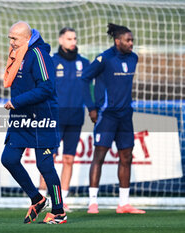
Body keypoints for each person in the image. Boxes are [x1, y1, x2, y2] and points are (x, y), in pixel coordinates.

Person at [2, 21, 67, 224]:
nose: (11, 42)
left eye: (15, 38)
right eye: (10, 38)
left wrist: (16, 101)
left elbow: (47, 88)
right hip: (21, 118)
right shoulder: (19, 53)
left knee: (45, 165)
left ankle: (59, 212)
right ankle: (37, 199)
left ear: (27, 37)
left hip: (42, 118)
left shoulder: (39, 54)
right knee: (9, 159)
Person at [81, 23, 145, 214]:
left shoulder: (134, 58)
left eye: (132, 39)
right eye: (128, 40)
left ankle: (123, 204)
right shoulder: (104, 58)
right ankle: (93, 202)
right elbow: (84, 78)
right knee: (99, 156)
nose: (131, 43)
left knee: (126, 156)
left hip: (126, 115)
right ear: (118, 41)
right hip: (106, 116)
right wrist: (92, 108)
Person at [38, 27, 89, 212]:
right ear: (61, 40)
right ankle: (41, 199)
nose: (72, 41)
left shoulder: (84, 63)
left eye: (74, 38)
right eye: (69, 38)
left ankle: (63, 200)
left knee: (68, 159)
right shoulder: (51, 62)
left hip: (76, 118)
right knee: (48, 157)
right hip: (55, 117)